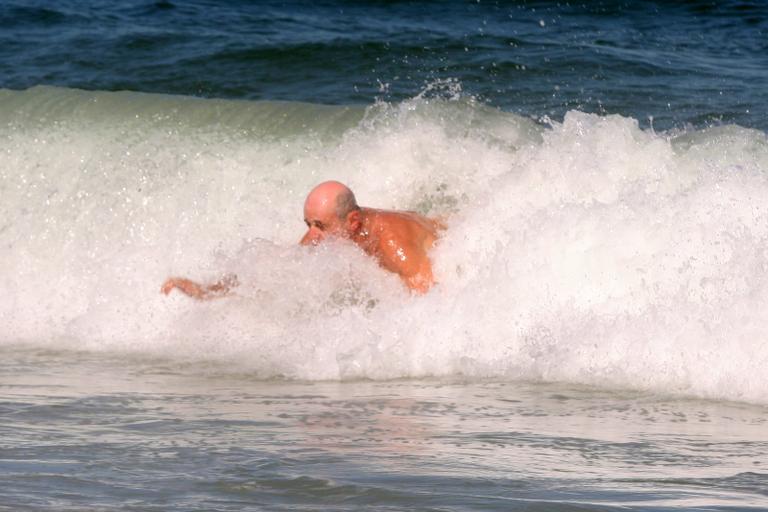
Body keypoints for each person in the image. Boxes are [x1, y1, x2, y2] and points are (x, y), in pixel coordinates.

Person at [161, 181, 443, 299]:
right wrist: (208, 291)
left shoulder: (392, 244)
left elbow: (430, 299)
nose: (311, 236)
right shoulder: (324, 234)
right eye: (308, 224)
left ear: (353, 223)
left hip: (442, 236)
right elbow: (273, 272)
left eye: (320, 226)